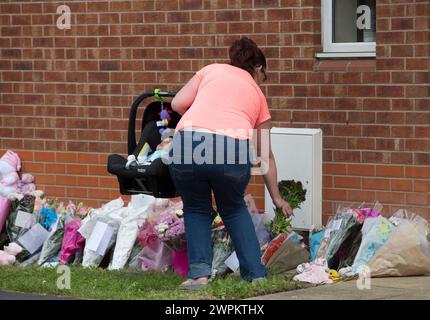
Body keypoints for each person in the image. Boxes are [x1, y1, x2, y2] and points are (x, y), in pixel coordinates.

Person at [169, 37, 293, 290]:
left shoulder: (210, 70)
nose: (261, 81)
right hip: (231, 148)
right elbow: (264, 155)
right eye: (263, 75)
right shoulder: (257, 96)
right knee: (234, 208)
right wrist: (277, 197)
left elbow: (176, 103)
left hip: (187, 143)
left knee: (196, 209)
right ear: (257, 68)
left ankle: (199, 277)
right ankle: (255, 274)